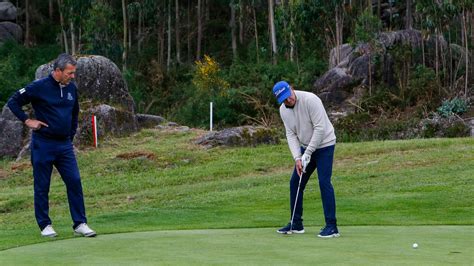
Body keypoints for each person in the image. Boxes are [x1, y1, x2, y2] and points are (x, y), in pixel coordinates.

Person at [7, 53, 96, 238]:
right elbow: (13, 102)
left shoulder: (72, 88)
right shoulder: (39, 87)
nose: (73, 77)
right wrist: (27, 120)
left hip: (64, 145)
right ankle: (45, 225)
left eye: (74, 73)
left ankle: (80, 223)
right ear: (57, 71)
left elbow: (74, 114)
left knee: (74, 181)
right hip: (43, 144)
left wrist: (70, 136)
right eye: (69, 73)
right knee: (42, 186)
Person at [272, 80, 339, 238]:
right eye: (284, 99)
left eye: (289, 96)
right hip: (304, 148)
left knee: (324, 182)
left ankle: (332, 226)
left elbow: (320, 128)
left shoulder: (311, 100)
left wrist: (307, 153)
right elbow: (290, 134)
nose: (289, 100)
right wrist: (297, 158)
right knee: (295, 182)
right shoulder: (283, 110)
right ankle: (296, 224)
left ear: (292, 89)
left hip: (325, 145)